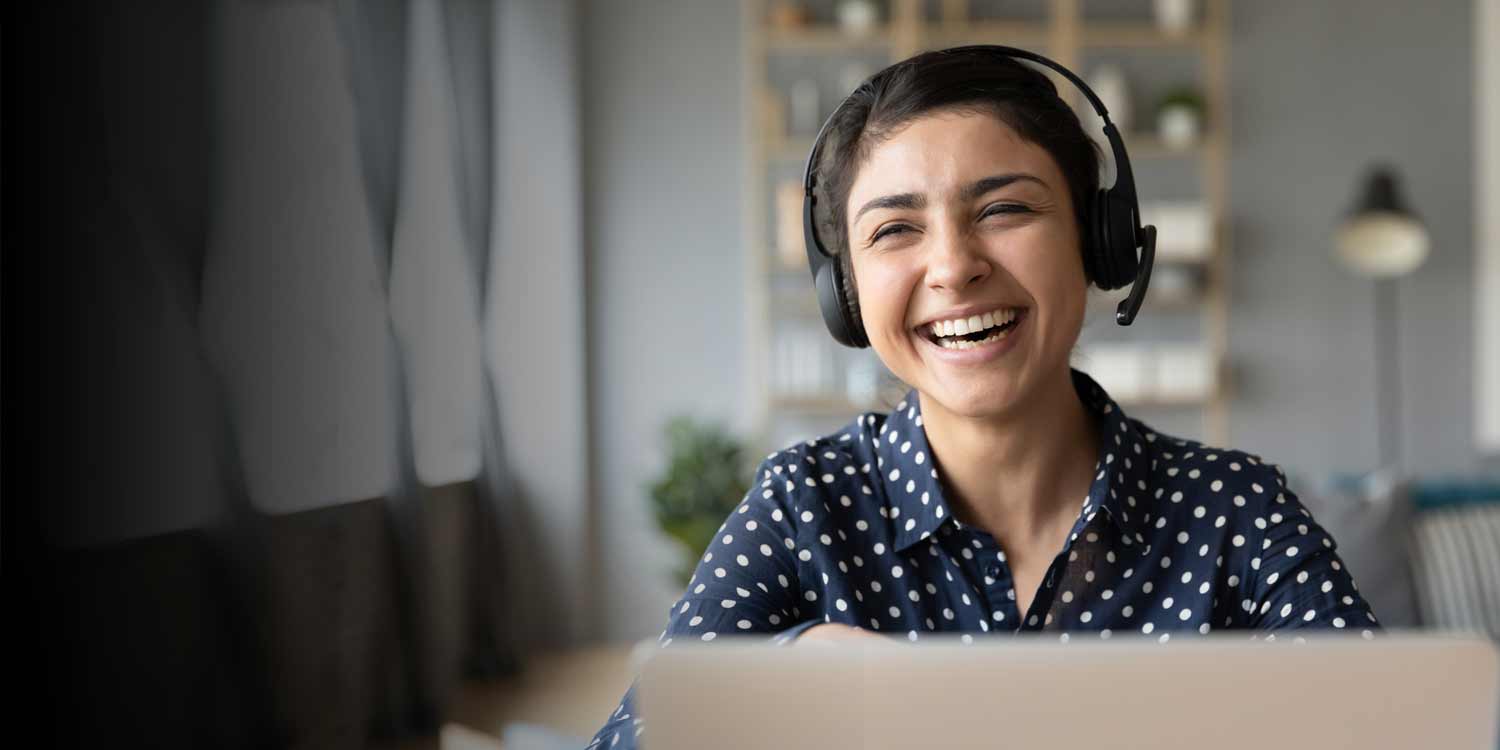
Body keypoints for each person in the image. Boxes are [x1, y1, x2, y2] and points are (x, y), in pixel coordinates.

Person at [587, 46, 1379, 750]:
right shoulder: (805, 507)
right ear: (848, 293)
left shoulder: (1233, 505)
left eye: (1004, 209)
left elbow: (1387, 725)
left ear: (1097, 240)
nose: (954, 267)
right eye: (895, 230)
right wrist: (782, 675)